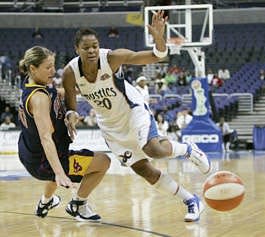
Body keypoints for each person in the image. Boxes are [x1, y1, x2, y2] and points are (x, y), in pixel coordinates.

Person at [62, 11, 210, 222]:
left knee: (154, 149)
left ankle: (188, 150)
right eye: (86, 47)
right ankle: (191, 200)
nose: (92, 50)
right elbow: (71, 101)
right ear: (77, 49)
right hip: (111, 126)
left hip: (133, 111)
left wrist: (159, 38)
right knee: (144, 171)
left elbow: (156, 56)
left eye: (94, 45)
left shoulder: (112, 58)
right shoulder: (70, 72)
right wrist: (71, 114)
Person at [17, 46, 110, 222]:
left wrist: (69, 113)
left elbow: (60, 94)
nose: (53, 71)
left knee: (56, 172)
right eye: (48, 67)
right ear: (32, 68)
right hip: (44, 161)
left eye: (53, 65)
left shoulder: (33, 85)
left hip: (30, 153)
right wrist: (59, 172)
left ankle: (45, 202)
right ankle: (78, 205)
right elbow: (46, 138)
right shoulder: (39, 98)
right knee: (104, 161)